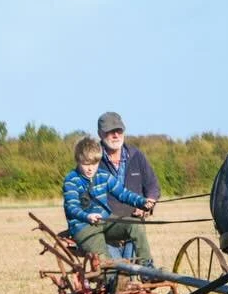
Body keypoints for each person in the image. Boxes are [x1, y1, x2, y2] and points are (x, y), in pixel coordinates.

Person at [63, 136, 157, 265]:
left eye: (94, 164)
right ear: (78, 161)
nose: (90, 169)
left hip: (106, 221)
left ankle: (147, 269)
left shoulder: (104, 176)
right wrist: (87, 216)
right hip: (84, 228)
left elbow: (123, 194)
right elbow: (71, 208)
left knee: (136, 225)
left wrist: (142, 202)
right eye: (86, 164)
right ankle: (113, 280)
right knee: (106, 265)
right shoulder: (71, 180)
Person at [97, 111, 160, 220]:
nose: (116, 135)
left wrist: (147, 205)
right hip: (103, 221)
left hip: (134, 219)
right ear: (100, 134)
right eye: (110, 131)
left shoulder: (137, 155)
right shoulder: (92, 158)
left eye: (119, 130)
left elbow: (152, 186)